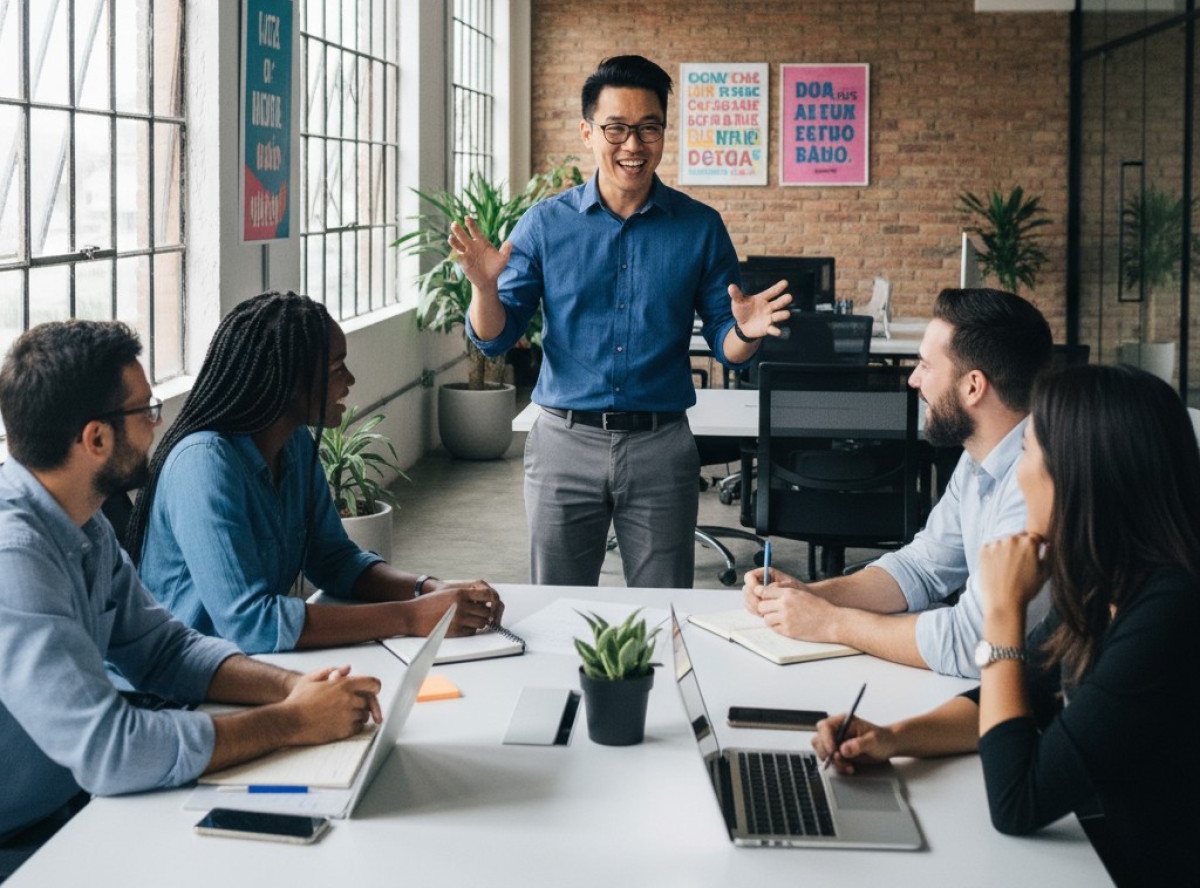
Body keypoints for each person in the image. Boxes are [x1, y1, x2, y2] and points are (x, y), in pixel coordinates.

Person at [0, 320, 383, 876]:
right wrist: (293, 722)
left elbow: (163, 649)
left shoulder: (81, 519)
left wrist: (294, 688)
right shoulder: (15, 558)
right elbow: (112, 749)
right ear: (96, 439)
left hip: (69, 808)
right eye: (146, 411)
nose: (158, 424)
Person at [812, 364, 1200, 887]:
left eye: (1028, 453)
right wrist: (891, 738)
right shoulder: (1102, 583)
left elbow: (1019, 802)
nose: (1019, 476)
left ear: (1079, 473)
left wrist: (1002, 610)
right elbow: (1021, 700)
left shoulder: (1167, 612)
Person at [455, 54, 790, 588]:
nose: (633, 145)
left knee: (666, 608)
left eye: (649, 128)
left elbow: (729, 342)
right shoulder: (545, 224)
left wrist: (745, 333)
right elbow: (495, 339)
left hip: (662, 448)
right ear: (589, 132)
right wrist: (484, 286)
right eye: (616, 128)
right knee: (557, 607)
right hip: (563, 444)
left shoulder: (700, 228)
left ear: (663, 132)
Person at [130, 291, 503, 653]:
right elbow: (250, 623)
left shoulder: (294, 444)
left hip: (244, 668)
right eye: (337, 368)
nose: (351, 380)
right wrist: (412, 617)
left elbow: (333, 559)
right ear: (287, 382)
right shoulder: (203, 464)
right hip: (183, 695)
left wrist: (428, 589)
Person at [744, 287, 1053, 677]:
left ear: (973, 386)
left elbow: (975, 643)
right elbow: (922, 568)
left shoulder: (1037, 482)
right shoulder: (980, 457)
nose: (912, 380)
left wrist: (832, 623)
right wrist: (806, 595)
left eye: (925, 365)